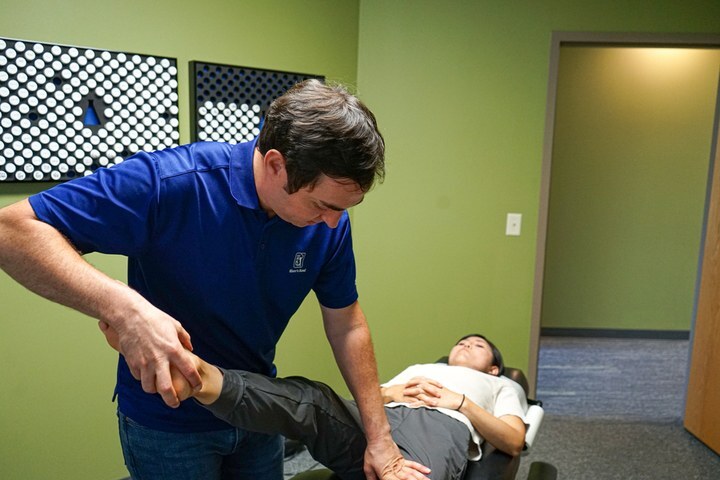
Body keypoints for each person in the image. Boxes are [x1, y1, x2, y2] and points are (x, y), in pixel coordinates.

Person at [0, 80, 408, 479]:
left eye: (343, 209)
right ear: (275, 165)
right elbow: (11, 231)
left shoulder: (330, 224)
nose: (334, 222)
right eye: (322, 204)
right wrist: (126, 309)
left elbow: (348, 325)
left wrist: (379, 436)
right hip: (168, 422)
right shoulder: (170, 182)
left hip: (256, 408)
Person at [102, 325, 527, 480]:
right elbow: (365, 398)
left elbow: (512, 441)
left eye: (477, 345)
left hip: (438, 427)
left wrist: (462, 403)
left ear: (493, 368)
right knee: (315, 400)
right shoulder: (419, 367)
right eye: (461, 341)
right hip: (380, 419)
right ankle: (200, 378)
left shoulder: (500, 385)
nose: (466, 346)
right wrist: (390, 393)